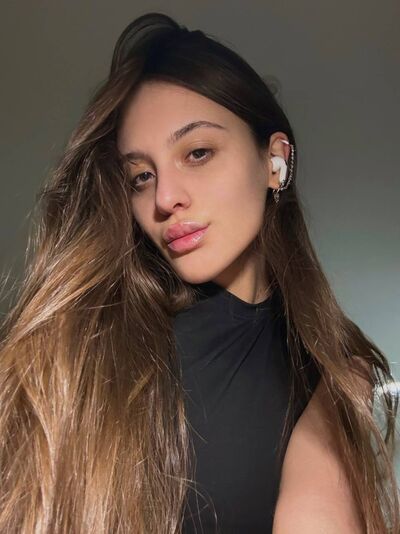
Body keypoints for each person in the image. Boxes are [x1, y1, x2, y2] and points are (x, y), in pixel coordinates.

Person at [0, 11, 398, 534]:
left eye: (198, 152)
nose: (165, 198)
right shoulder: (90, 352)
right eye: (141, 177)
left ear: (275, 161)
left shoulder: (328, 366)